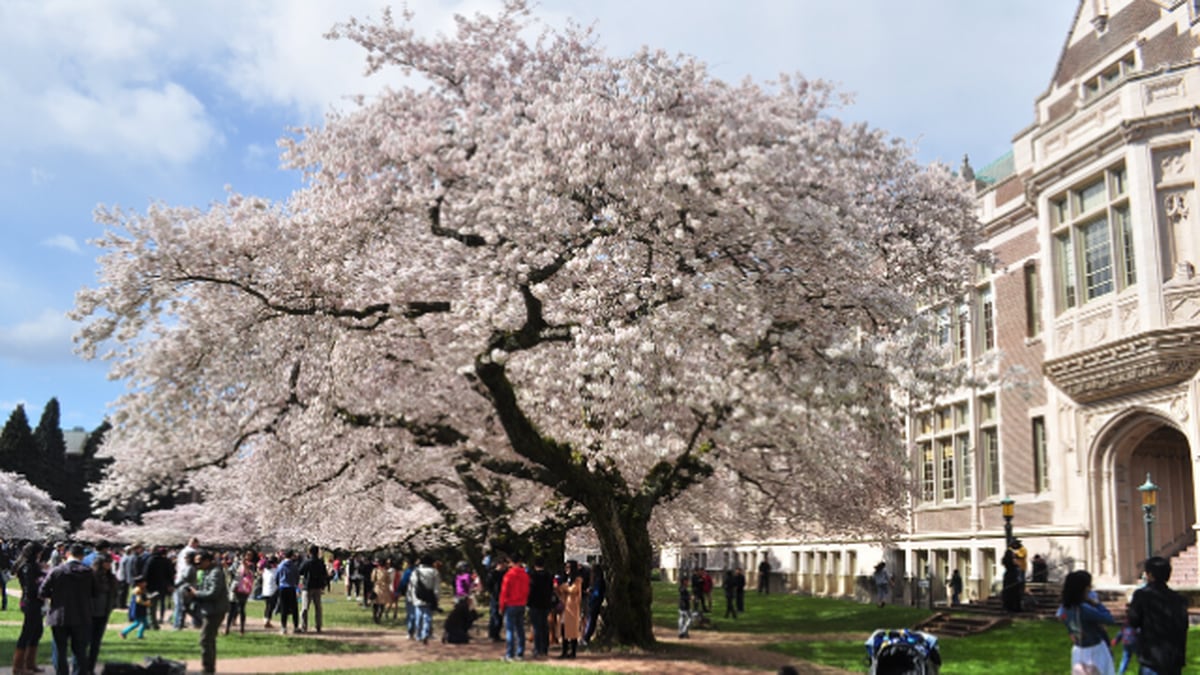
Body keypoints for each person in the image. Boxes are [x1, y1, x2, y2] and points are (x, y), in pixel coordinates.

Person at [39, 542, 95, 675]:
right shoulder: (88, 572)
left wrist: (56, 596)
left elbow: (42, 591)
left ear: (68, 554)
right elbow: (95, 592)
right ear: (82, 556)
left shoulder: (57, 571)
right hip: (81, 614)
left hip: (59, 615)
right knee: (80, 651)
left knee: (59, 650)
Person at [1126, 556, 1187, 675]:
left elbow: (1133, 621)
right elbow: (1183, 625)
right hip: (1173, 658)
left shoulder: (1142, 596)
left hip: (1151, 657)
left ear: (1150, 575)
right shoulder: (1178, 599)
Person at [1055, 569, 1116, 675]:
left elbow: (1061, 617)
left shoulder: (1065, 608)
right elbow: (1109, 619)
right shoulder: (1084, 609)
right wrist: (1097, 604)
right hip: (1094, 650)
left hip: (1078, 648)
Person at [187, 551, 230, 675]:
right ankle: (209, 667)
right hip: (210, 609)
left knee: (205, 639)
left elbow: (213, 593)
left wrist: (196, 593)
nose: (197, 564)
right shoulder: (208, 572)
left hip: (215, 610)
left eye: (199, 562)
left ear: (207, 561)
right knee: (209, 640)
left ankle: (208, 669)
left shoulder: (215, 573)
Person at [13, 542, 46, 675]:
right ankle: (18, 666)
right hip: (31, 602)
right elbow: (30, 587)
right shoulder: (28, 567)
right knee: (27, 632)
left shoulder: (32, 566)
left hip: (34, 602)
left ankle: (30, 663)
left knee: (37, 631)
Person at [86, 553, 118, 674]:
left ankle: (91, 667)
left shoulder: (110, 578)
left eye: (110, 562)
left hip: (103, 613)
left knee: (96, 643)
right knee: (86, 642)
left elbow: (113, 594)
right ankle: (83, 666)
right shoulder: (91, 576)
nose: (109, 564)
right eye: (106, 562)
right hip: (91, 613)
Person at [499, 554, 530, 662]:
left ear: (511, 562)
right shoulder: (525, 575)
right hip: (521, 604)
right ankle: (520, 653)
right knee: (520, 629)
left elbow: (504, 592)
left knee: (510, 630)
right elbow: (527, 590)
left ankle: (510, 654)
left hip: (511, 604)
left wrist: (502, 606)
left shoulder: (509, 575)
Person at [527, 556, 554, 658]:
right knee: (544, 626)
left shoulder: (532, 576)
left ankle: (538, 649)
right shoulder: (549, 575)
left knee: (537, 627)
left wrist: (528, 601)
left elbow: (531, 590)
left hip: (535, 604)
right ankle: (545, 648)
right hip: (546, 603)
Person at [409, 555, 440, 644]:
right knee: (427, 617)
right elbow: (436, 587)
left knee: (418, 616)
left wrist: (412, 597)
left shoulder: (416, 571)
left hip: (418, 596)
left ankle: (418, 634)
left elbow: (412, 585)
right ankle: (425, 634)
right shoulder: (434, 572)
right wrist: (436, 598)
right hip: (429, 597)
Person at [298, 545, 329, 633]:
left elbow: (300, 571)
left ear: (309, 552)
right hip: (317, 586)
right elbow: (324, 574)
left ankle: (304, 626)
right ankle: (318, 626)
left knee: (305, 608)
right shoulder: (320, 562)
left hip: (307, 586)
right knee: (318, 607)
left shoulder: (307, 562)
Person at [556, 560, 583, 659]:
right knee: (564, 629)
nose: (566, 569)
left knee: (572, 631)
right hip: (564, 607)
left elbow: (573, 590)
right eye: (566, 567)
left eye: (569, 567)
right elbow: (562, 590)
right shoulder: (566, 579)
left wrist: (563, 586)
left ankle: (573, 652)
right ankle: (564, 651)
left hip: (573, 607)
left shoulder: (578, 580)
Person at [226, 550, 256, 635]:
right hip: (235, 587)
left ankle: (242, 629)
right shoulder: (237, 564)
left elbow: (249, 574)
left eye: (250, 555)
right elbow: (230, 571)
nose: (248, 557)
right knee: (232, 608)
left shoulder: (251, 565)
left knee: (242, 608)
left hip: (244, 589)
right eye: (247, 555)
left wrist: (244, 564)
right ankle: (227, 628)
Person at [275, 550, 301, 634]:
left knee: (284, 608)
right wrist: (295, 585)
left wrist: (278, 584)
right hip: (292, 588)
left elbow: (277, 577)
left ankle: (283, 627)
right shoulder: (294, 566)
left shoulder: (280, 566)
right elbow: (297, 577)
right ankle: (296, 626)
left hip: (283, 588)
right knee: (294, 608)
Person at [582, 562, 605, 646]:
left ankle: (586, 637)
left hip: (595, 603)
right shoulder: (598, 580)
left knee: (591, 620)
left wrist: (590, 592)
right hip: (594, 602)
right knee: (591, 620)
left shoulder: (598, 581)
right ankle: (586, 637)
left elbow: (597, 593)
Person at [370, 558, 394, 625]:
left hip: (377, 588)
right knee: (382, 604)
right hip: (384, 589)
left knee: (375, 603)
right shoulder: (386, 572)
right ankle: (379, 616)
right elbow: (389, 581)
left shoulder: (375, 570)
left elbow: (372, 579)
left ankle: (375, 616)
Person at [1001, 548, 1022, 613]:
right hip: (1013, 576)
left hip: (1007, 576)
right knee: (1015, 593)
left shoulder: (1004, 560)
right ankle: (1015, 608)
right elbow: (1018, 565)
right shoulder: (1013, 560)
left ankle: (1008, 607)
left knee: (1008, 592)